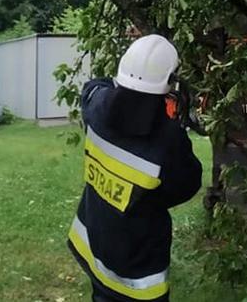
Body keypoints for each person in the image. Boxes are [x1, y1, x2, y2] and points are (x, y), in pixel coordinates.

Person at [68, 35, 203, 302]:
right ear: (169, 82)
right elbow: (187, 185)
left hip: (94, 242)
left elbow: (94, 86)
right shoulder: (168, 140)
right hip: (137, 269)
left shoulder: (98, 103)